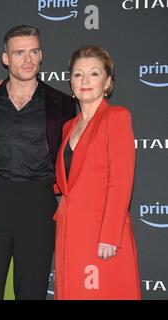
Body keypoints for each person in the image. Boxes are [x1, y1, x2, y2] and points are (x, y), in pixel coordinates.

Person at [0, 25, 77, 300]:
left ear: (41, 55)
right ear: (5, 58)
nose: (27, 59)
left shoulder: (63, 104)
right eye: (19, 52)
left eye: (33, 51)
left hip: (38, 205)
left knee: (31, 293)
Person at [53, 45, 140, 299]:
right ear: (71, 83)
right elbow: (66, 182)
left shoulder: (117, 117)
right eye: (78, 74)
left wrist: (110, 237)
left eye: (94, 73)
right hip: (70, 234)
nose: (85, 81)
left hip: (102, 236)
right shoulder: (69, 126)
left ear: (108, 82)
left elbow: (121, 180)